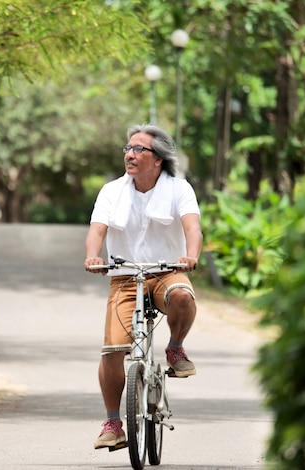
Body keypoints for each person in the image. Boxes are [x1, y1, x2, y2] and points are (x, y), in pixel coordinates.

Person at [84, 124, 203, 450]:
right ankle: (113, 422)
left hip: (167, 270)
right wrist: (93, 256)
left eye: (139, 149)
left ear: (158, 160)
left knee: (182, 295)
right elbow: (97, 231)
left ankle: (175, 347)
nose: (130, 154)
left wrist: (190, 257)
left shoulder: (179, 189)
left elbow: (193, 228)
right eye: (128, 148)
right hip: (124, 274)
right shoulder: (111, 191)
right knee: (111, 351)